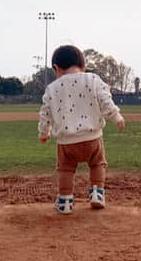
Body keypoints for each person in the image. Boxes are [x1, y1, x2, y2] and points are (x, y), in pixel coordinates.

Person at [38, 45, 125, 214]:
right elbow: (105, 100)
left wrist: (44, 133)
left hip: (66, 143)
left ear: (56, 68)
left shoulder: (52, 88)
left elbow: (45, 113)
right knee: (97, 164)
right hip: (93, 138)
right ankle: (97, 194)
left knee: (66, 169)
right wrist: (117, 117)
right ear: (83, 65)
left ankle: (65, 201)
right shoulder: (92, 79)